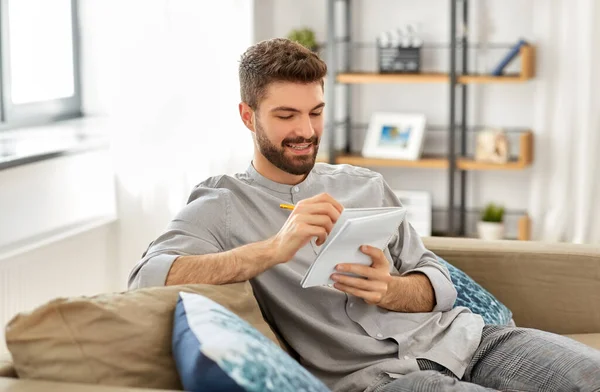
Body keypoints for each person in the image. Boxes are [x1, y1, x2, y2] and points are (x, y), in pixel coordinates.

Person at [128, 38, 600, 392]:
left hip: (469, 340)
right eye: (286, 115)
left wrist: (392, 289)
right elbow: (146, 278)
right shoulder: (222, 203)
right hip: (382, 379)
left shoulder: (363, 184)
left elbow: (434, 275)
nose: (306, 131)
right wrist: (274, 249)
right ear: (248, 116)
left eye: (315, 112)